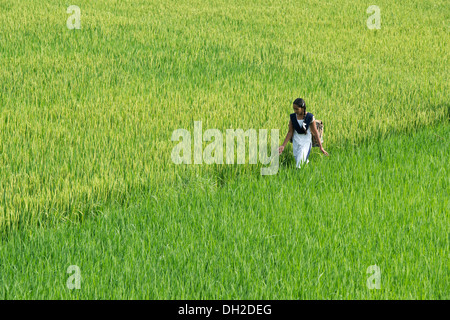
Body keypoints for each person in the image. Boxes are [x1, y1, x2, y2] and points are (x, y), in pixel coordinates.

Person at [278, 98, 329, 168]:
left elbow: (315, 132)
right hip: (296, 142)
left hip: (306, 142)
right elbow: (290, 132)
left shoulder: (310, 117)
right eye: (294, 109)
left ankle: (296, 176)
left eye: (296, 109)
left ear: (302, 108)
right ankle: (307, 169)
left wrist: (321, 147)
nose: (295, 111)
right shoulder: (292, 117)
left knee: (299, 164)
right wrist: (283, 146)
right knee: (299, 160)